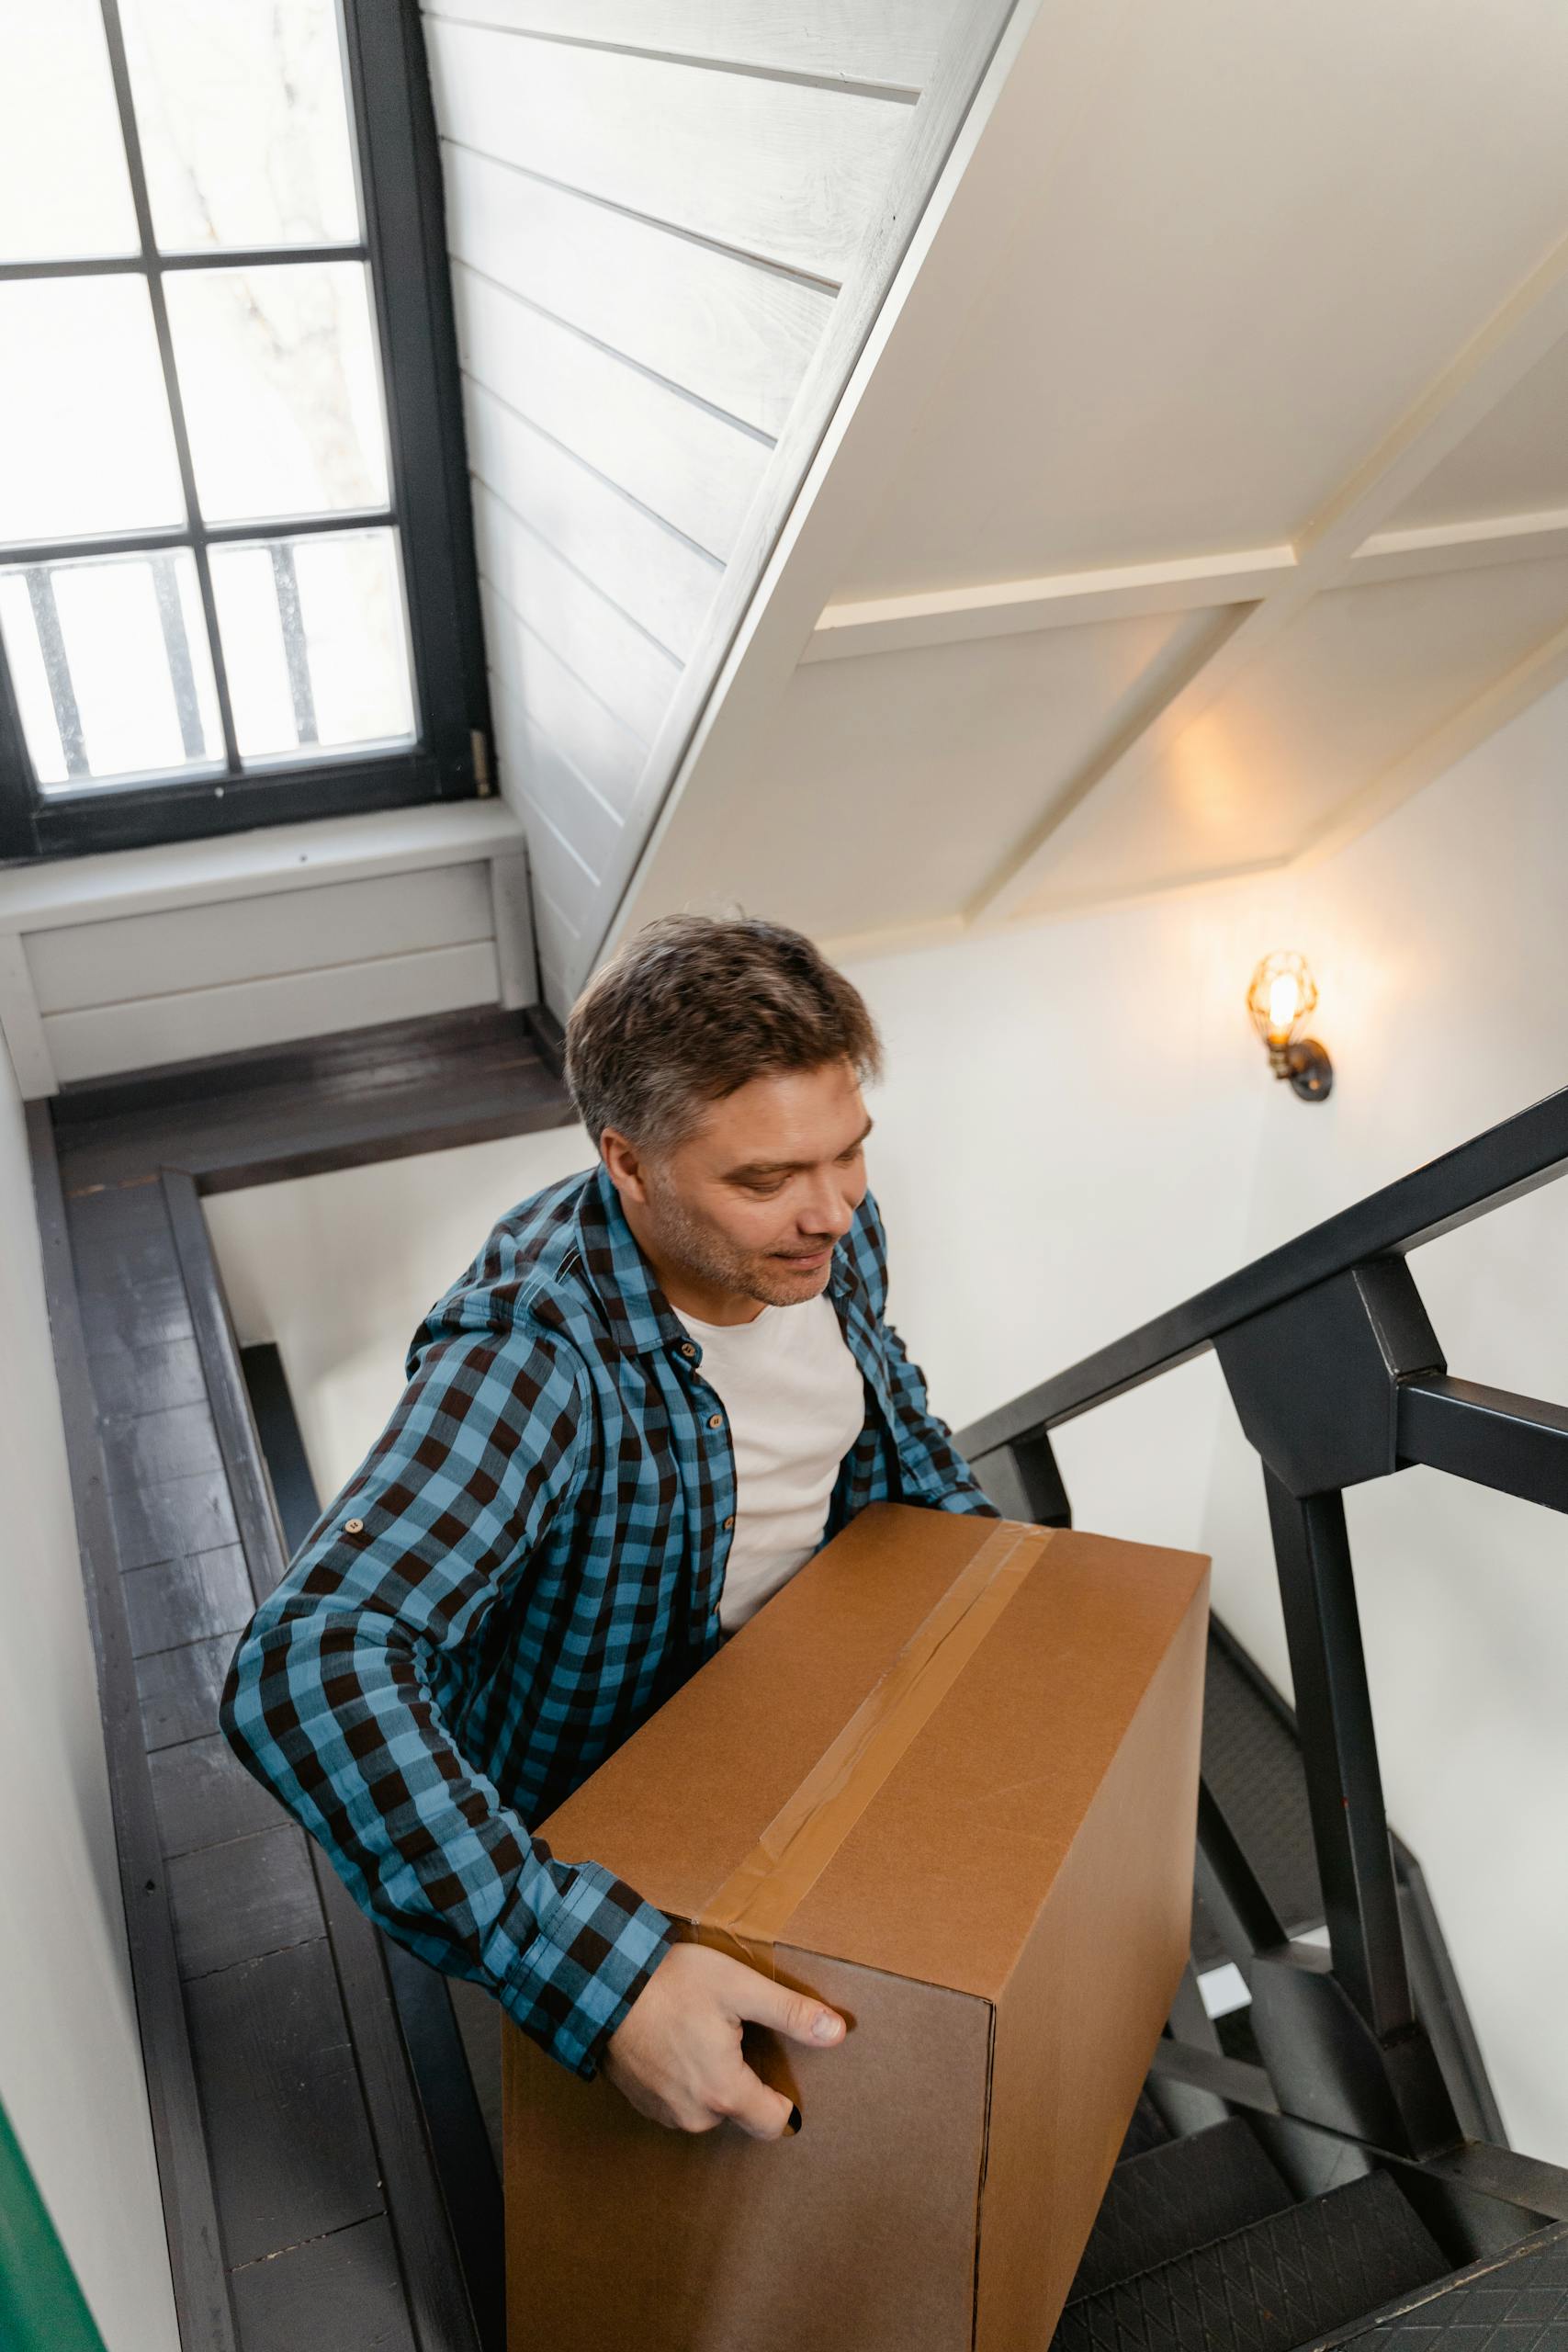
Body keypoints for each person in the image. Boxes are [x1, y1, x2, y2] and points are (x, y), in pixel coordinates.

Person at [220, 913, 998, 2145]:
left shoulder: (830, 1238)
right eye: (763, 1180)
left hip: (809, 1685)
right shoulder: (534, 1356)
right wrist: (596, 1974)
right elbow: (305, 1665)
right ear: (628, 1166)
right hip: (629, 1793)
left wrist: (997, 1586)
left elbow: (877, 1407)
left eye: (848, 1154)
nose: (831, 1213)